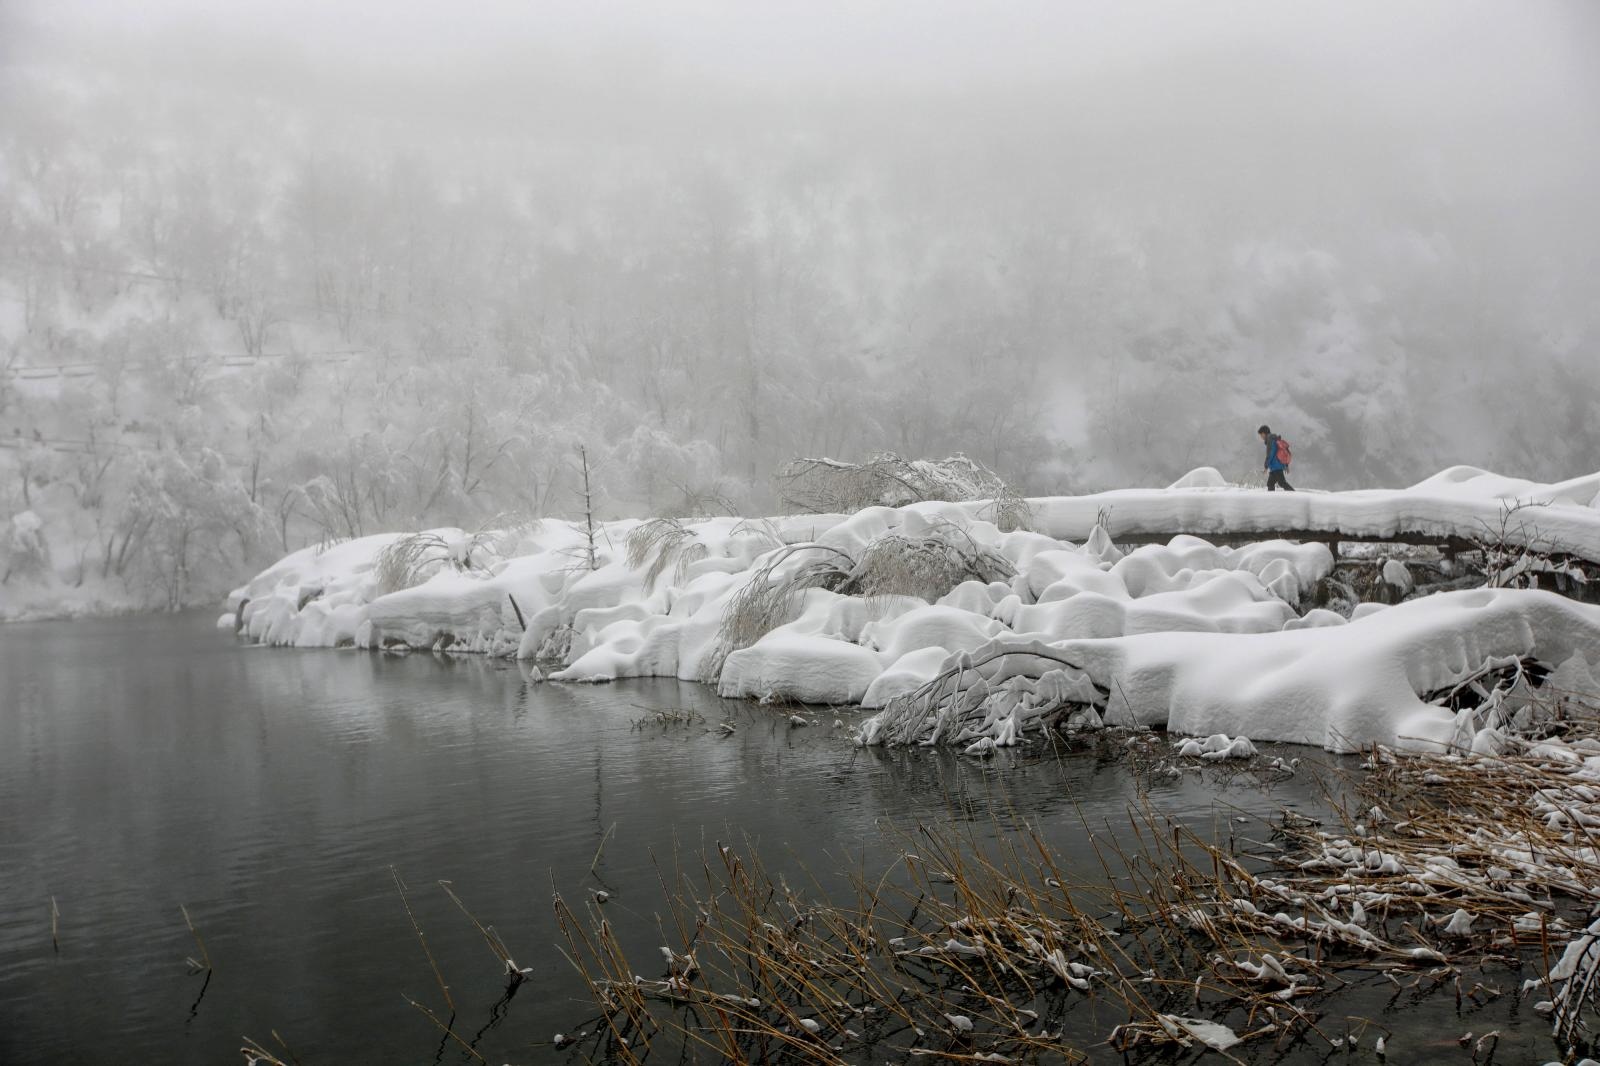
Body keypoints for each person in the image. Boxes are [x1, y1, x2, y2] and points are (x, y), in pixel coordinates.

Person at [1258, 424, 1294, 491]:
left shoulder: (1270, 440)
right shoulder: (1273, 439)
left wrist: (1266, 466)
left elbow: (1270, 454)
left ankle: (1295, 495)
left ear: (1264, 433)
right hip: (1275, 466)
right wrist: (1286, 465)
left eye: (1261, 434)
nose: (1261, 437)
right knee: (1270, 484)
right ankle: (1271, 499)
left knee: (1282, 483)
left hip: (1276, 466)